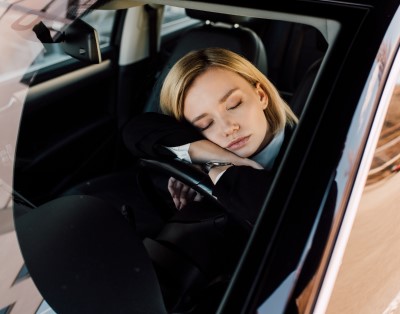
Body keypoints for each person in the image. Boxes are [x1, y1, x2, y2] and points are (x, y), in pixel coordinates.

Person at [123, 47, 298, 228]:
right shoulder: (207, 152)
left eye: (234, 105)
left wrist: (220, 171)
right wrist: (215, 159)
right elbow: (136, 130)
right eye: (205, 124)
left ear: (261, 95)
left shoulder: (310, 148)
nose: (228, 128)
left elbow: (279, 214)